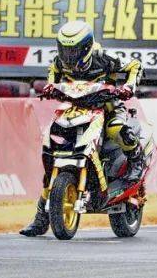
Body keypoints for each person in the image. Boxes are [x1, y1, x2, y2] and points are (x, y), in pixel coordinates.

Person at [19, 20, 144, 237]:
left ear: (86, 47)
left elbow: (134, 65)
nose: (68, 55)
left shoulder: (104, 57)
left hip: (107, 106)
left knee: (116, 129)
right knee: (54, 142)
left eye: (74, 50)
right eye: (65, 49)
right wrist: (50, 87)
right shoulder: (58, 62)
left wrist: (128, 87)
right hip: (75, 108)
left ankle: (136, 160)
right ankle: (41, 219)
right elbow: (52, 77)